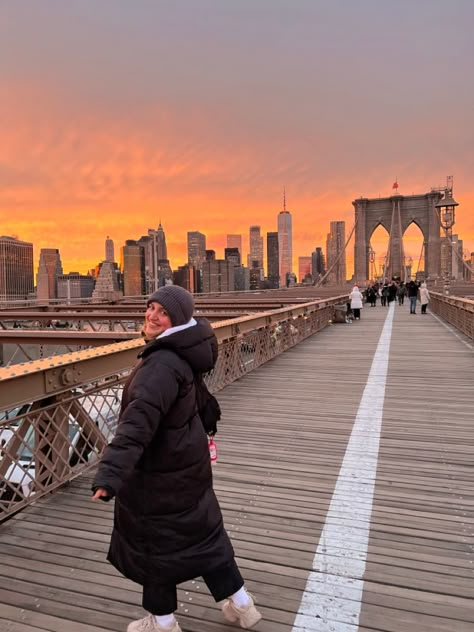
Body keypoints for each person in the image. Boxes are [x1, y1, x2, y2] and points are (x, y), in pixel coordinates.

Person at [92, 285, 262, 632]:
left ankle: (163, 622)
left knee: (155, 547)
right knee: (204, 537)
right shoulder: (182, 352)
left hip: (159, 474)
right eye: (150, 307)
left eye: (163, 312)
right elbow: (196, 400)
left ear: (178, 320)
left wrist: (109, 475)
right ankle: (242, 605)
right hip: (187, 464)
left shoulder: (159, 365)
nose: (152, 316)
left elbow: (136, 424)